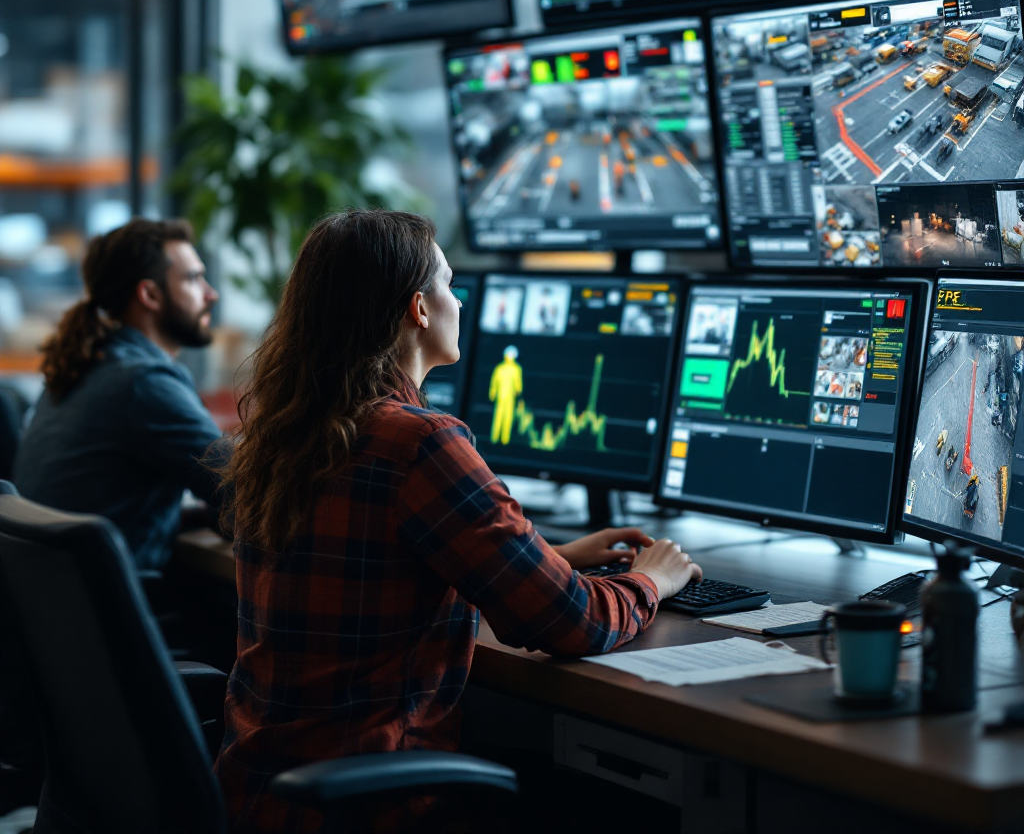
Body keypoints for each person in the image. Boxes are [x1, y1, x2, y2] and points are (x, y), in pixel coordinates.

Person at [214, 210, 701, 834]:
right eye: (450, 285)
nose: (460, 302)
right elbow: (571, 623)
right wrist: (652, 580)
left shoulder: (285, 431)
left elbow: (378, 547)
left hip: (259, 791)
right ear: (419, 309)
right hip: (372, 805)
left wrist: (553, 554)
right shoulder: (418, 441)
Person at [13, 218, 222, 570]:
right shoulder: (145, 382)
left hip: (63, 613)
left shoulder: (83, 365)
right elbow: (248, 492)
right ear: (150, 295)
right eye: (192, 278)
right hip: (133, 611)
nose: (210, 293)